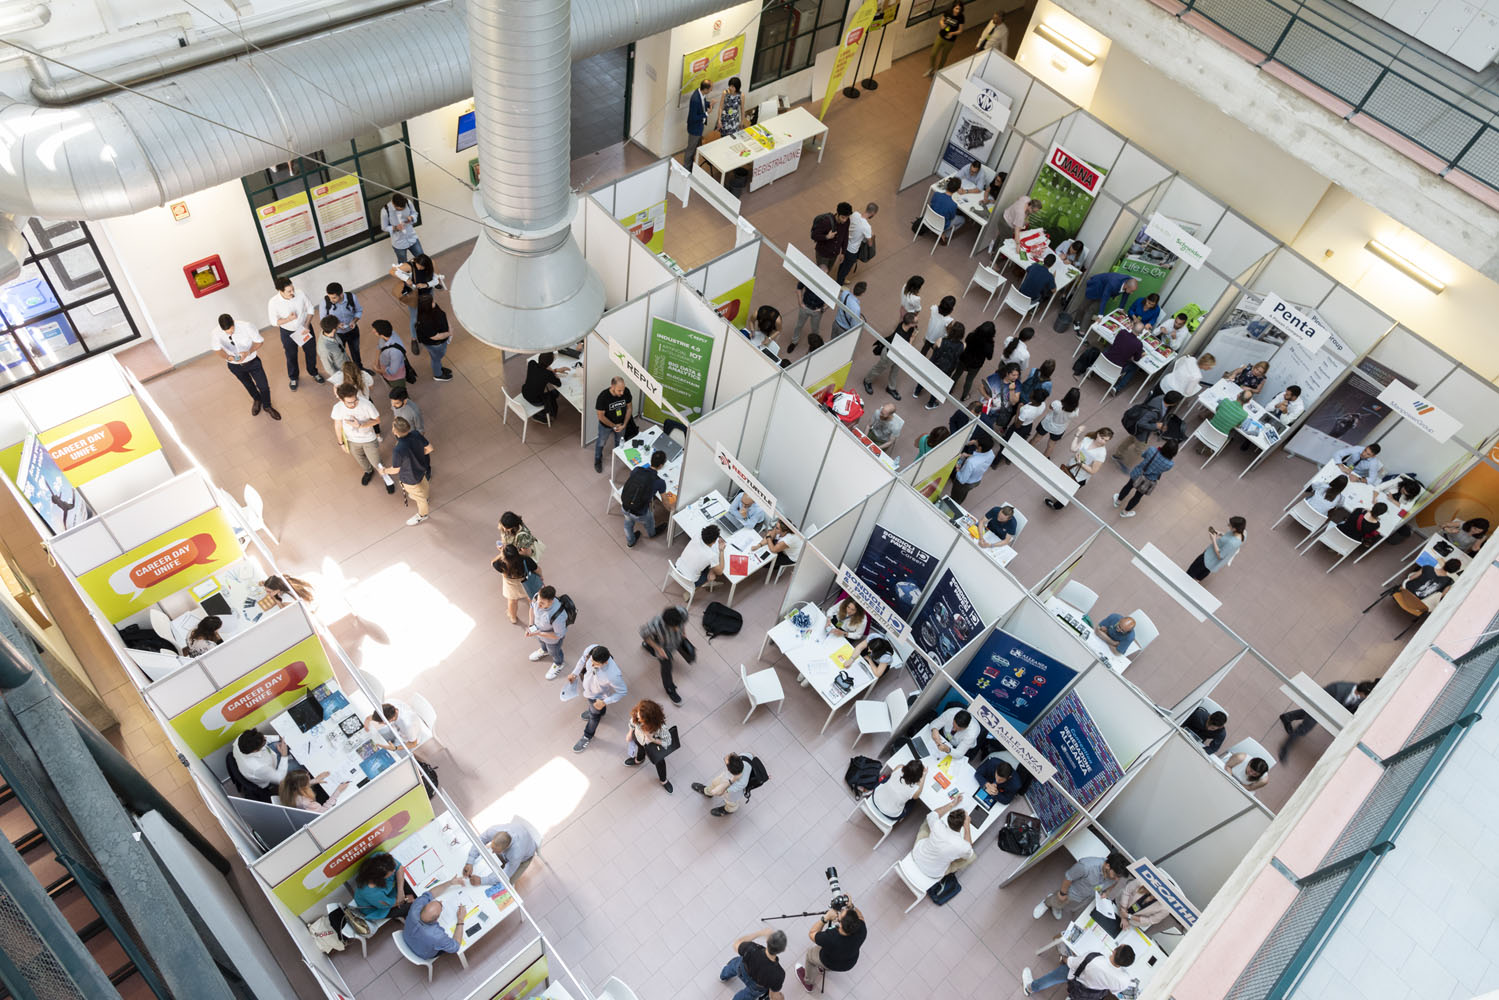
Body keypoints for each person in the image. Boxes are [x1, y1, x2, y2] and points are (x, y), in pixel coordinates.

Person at [1279, 679, 1377, 759]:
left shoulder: (1359, 696)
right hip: (1319, 707)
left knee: (1307, 714)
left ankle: (1287, 717)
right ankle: (1284, 748)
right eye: (1366, 696)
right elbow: (1319, 697)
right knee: (1304, 729)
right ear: (1362, 693)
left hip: (1330, 710)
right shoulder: (1338, 688)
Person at [212, 313, 280, 420]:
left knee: (263, 386)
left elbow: (259, 342)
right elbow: (217, 350)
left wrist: (248, 352)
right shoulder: (215, 333)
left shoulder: (246, 326)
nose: (230, 333)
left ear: (233, 322)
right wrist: (228, 357)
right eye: (227, 332)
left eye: (232, 330)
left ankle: (267, 406)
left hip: (252, 362)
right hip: (234, 366)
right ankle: (257, 400)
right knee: (248, 385)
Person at [331, 384, 395, 492]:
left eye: (355, 400)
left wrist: (360, 425)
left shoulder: (366, 404)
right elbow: (337, 425)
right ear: (341, 400)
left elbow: (377, 420)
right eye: (349, 402)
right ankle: (368, 471)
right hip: (351, 440)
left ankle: (386, 478)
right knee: (360, 459)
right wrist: (341, 443)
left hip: (368, 439)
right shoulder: (337, 408)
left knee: (376, 461)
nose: (354, 404)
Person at [1033, 851, 1130, 921]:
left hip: (1086, 896)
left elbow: (1113, 884)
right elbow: (1069, 877)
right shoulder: (1086, 866)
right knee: (1059, 899)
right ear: (1108, 866)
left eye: (1119, 877)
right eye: (1116, 876)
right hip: (1072, 891)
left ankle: (1057, 907)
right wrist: (1062, 893)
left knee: (1067, 904)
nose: (1117, 879)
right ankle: (1046, 903)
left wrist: (1106, 892)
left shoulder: (1115, 875)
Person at [567, 643, 628, 753]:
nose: (592, 664)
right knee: (594, 709)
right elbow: (582, 660)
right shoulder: (592, 650)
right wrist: (574, 673)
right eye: (591, 661)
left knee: (594, 717)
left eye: (595, 664)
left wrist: (605, 702)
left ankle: (587, 735)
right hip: (589, 690)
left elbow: (622, 691)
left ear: (605, 662)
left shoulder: (613, 675)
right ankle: (598, 711)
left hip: (597, 696)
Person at [795, 899, 866, 990]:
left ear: (840, 924)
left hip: (829, 961)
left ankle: (808, 982)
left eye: (842, 912)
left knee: (810, 954)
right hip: (848, 963)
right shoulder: (862, 929)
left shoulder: (830, 937)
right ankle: (823, 968)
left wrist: (825, 918)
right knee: (830, 956)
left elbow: (812, 934)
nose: (842, 909)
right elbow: (860, 916)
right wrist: (851, 906)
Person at [267, 276, 320, 392]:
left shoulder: (300, 293)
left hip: (304, 328)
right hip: (287, 333)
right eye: (289, 291)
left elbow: (310, 309)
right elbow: (274, 322)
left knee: (311, 351)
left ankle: (313, 371)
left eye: (293, 289)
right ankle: (293, 377)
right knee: (291, 356)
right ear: (280, 291)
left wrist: (306, 324)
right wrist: (288, 319)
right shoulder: (273, 302)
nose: (292, 293)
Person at [1022, 945, 1136, 997]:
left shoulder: (1095, 958)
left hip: (1076, 977)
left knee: (1054, 976)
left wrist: (1063, 958)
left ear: (1114, 951)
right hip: (1090, 994)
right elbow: (1113, 991)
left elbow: (1072, 963)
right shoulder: (1124, 981)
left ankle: (1029, 988)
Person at [379, 417, 432, 526]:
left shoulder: (398, 449)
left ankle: (422, 515)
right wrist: (418, 456)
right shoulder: (416, 434)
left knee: (419, 498)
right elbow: (430, 449)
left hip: (409, 478)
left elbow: (395, 469)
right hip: (421, 470)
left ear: (394, 431)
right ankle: (425, 497)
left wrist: (384, 471)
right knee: (424, 485)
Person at [1046, 426, 1113, 509]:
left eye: (1106, 440)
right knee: (1062, 483)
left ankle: (1056, 506)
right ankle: (1057, 494)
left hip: (1080, 477)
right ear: (1098, 434)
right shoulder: (1088, 439)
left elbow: (1093, 471)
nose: (1103, 442)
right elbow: (1073, 449)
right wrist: (1077, 434)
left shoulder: (1102, 453)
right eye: (1102, 438)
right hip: (1070, 467)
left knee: (1067, 493)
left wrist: (1080, 463)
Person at [1113, 391, 1181, 470]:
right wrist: (1156, 426)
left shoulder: (1161, 397)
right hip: (1142, 432)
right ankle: (1126, 465)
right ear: (1173, 403)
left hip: (1138, 428)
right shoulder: (1155, 411)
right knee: (1139, 450)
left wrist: (1161, 424)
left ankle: (1118, 454)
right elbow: (1141, 423)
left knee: (1131, 439)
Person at [909, 800, 974, 879]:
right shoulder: (962, 846)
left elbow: (932, 814)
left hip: (917, 855)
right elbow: (969, 849)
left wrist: (952, 804)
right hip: (933, 873)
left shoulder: (937, 825)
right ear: (962, 824)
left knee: (929, 821)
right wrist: (967, 826)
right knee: (971, 856)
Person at [640, 604, 690, 706]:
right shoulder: (655, 625)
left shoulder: (682, 612)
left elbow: (683, 623)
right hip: (662, 647)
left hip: (675, 641)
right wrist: (658, 649)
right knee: (667, 667)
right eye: (674, 627)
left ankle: (648, 647)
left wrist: (683, 632)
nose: (677, 629)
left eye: (678, 625)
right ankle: (670, 689)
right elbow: (644, 634)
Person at [620, 449, 670, 548]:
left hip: (625, 505)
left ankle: (630, 542)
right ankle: (652, 534)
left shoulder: (637, 469)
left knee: (628, 523)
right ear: (661, 466)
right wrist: (671, 509)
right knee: (649, 520)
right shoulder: (660, 482)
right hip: (640, 512)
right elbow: (665, 501)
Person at [1114, 440, 1178, 517]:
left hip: (1138, 473)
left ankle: (1118, 501)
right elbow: (1163, 470)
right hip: (1149, 481)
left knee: (1128, 486)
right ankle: (1124, 512)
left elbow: (1144, 455)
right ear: (1174, 453)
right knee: (1137, 496)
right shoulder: (1170, 464)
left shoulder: (1152, 450)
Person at [720, 927, 787, 1000]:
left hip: (741, 969)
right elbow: (773, 995)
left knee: (733, 965)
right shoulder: (779, 975)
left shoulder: (752, 948)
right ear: (782, 950)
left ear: (767, 941)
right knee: (746, 996)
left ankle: (723, 976)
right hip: (756, 986)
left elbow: (736, 944)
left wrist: (760, 933)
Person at [463, 821, 538, 884]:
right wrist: (470, 861)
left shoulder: (516, 854)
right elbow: (480, 840)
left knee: (506, 884)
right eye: (492, 847)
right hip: (520, 833)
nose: (492, 852)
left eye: (496, 851)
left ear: (505, 849)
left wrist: (482, 881)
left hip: (525, 857)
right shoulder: (493, 830)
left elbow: (506, 874)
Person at [625, 698, 675, 793]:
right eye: (638, 714)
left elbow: (668, 742)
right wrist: (630, 733)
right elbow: (632, 723)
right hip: (639, 739)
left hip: (653, 746)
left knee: (659, 762)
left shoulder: (661, 728)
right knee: (640, 749)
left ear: (649, 720)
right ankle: (639, 760)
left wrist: (653, 740)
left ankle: (663, 780)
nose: (637, 718)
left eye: (641, 718)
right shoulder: (637, 714)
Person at [403, 888, 466, 961]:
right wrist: (460, 919)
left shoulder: (416, 906)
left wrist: (450, 883)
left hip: (406, 936)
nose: (441, 901)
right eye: (441, 908)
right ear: (436, 919)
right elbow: (455, 947)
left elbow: (429, 894)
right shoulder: (438, 936)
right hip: (422, 953)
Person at [351, 853, 412, 921]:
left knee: (411, 887)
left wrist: (401, 891)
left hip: (388, 893)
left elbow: (399, 868)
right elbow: (387, 904)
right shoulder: (371, 892)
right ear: (380, 877)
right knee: (411, 905)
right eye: (391, 872)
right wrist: (405, 899)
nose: (394, 871)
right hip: (378, 908)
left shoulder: (380, 859)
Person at [695, 751, 756, 817]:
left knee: (731, 803)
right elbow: (752, 755)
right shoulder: (745, 757)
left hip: (732, 795)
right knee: (714, 783)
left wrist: (733, 779)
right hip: (724, 780)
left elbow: (717, 792)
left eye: (726, 762)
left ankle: (729, 810)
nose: (728, 755)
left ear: (728, 769)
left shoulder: (741, 783)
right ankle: (707, 792)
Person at [1074, 273, 1139, 334]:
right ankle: (1076, 321)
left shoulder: (1129, 281)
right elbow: (1104, 299)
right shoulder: (1113, 283)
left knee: (1092, 309)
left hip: (1105, 288)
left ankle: (1082, 331)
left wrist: (1121, 308)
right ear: (1126, 286)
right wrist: (1100, 315)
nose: (1131, 293)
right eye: (1132, 291)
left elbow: (1126, 294)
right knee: (1084, 305)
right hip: (1096, 286)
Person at [526, 586, 569, 679]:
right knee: (542, 643)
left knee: (554, 652)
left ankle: (559, 663)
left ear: (551, 602)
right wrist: (531, 626)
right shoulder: (537, 596)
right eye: (538, 600)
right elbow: (532, 608)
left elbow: (558, 635)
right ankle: (544, 651)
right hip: (540, 632)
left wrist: (538, 633)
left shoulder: (558, 615)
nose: (538, 604)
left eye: (542, 603)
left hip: (552, 640)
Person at [320, 282, 364, 370]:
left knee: (355, 351)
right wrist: (336, 325)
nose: (331, 300)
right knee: (340, 355)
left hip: (352, 330)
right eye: (329, 297)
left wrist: (354, 321)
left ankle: (360, 369)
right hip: (337, 334)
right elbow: (323, 321)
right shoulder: (325, 302)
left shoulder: (352, 297)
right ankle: (346, 373)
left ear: (341, 294)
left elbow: (359, 311)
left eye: (334, 297)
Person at [593, 377, 633, 473]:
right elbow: (601, 416)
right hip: (606, 426)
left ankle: (617, 454)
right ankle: (597, 459)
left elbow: (629, 408)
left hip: (621, 424)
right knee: (601, 442)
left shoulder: (626, 392)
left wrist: (624, 424)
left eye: (623, 390)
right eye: (619, 390)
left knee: (619, 441)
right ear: (612, 386)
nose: (622, 393)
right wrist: (614, 426)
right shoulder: (603, 397)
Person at [1187, 516, 1246, 581]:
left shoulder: (1232, 543)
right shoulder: (1243, 533)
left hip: (1208, 559)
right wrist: (1221, 534)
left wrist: (1213, 539)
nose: (1228, 525)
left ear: (1234, 529)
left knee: (1190, 573)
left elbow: (1220, 555)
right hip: (1211, 563)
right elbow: (1230, 538)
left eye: (1230, 525)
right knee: (1199, 576)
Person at [493, 544, 538, 625]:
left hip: (510, 586)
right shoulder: (525, 559)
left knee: (512, 601)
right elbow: (537, 569)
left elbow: (492, 562)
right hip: (526, 583)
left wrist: (501, 553)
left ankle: (513, 618)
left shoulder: (499, 563)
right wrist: (540, 576)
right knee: (530, 597)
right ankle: (536, 612)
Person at [414, 297, 454, 381]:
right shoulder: (425, 321)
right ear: (427, 306)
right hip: (435, 344)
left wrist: (449, 327)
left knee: (436, 357)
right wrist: (449, 333)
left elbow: (443, 314)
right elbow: (435, 337)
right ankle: (438, 375)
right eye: (432, 301)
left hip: (438, 341)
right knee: (436, 358)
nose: (434, 302)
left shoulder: (432, 307)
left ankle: (439, 367)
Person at [365, 699, 430, 750]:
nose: (379, 723)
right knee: (373, 737)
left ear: (391, 719)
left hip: (407, 740)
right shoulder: (389, 704)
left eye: (381, 722)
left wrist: (395, 748)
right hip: (395, 730)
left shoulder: (408, 725)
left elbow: (413, 743)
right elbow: (377, 715)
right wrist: (367, 720)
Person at [837, 203, 877, 285]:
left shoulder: (855, 214)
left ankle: (840, 277)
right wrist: (872, 236)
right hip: (852, 250)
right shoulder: (867, 227)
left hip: (845, 244)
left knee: (843, 264)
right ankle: (839, 284)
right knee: (846, 269)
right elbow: (870, 244)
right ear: (873, 213)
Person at [956, 320, 996, 401]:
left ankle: (948, 389)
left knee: (956, 374)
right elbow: (989, 357)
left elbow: (966, 342)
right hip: (975, 364)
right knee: (969, 380)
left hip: (964, 358)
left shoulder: (971, 335)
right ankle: (964, 396)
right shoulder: (989, 345)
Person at [948, 435, 995, 504]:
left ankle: (953, 504)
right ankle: (959, 500)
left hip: (964, 484)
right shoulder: (991, 453)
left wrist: (957, 467)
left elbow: (962, 479)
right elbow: (981, 458)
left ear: (980, 447)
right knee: (963, 494)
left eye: (977, 442)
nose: (975, 442)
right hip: (976, 480)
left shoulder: (971, 462)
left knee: (955, 497)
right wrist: (968, 455)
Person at [279, 768, 348, 812]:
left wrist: (315, 780)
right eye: (308, 777)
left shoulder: (286, 787)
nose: (309, 776)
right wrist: (338, 791)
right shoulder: (307, 803)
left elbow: (297, 786)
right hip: (319, 811)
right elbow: (323, 811)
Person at [1038, 387, 1081, 458]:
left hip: (1047, 423)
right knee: (1051, 445)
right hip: (1059, 430)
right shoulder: (1076, 411)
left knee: (1036, 438)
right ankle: (1044, 458)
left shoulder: (1057, 404)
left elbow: (1050, 407)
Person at [926, 1, 966, 76]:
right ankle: (932, 68)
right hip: (941, 36)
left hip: (950, 41)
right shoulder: (948, 12)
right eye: (956, 8)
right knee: (933, 54)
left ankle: (938, 71)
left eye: (959, 9)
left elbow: (960, 30)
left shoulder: (961, 17)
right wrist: (942, 24)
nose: (957, 11)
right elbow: (941, 20)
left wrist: (952, 33)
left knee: (944, 56)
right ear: (953, 7)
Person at [812, 203, 853, 274]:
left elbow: (845, 236)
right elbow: (814, 235)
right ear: (837, 214)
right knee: (821, 274)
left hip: (834, 254)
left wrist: (843, 252)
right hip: (823, 254)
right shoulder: (826, 222)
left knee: (827, 272)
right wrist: (827, 237)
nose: (845, 220)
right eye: (843, 217)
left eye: (847, 217)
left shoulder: (847, 222)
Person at [380, 192, 422, 262]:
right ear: (394, 204)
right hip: (399, 243)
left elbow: (415, 213)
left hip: (412, 237)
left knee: (422, 259)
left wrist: (411, 217)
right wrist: (395, 228)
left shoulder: (408, 202)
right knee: (403, 265)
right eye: (400, 209)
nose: (402, 210)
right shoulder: (385, 211)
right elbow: (384, 227)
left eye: (403, 208)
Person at [791, 279, 827, 352]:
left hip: (817, 310)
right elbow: (799, 288)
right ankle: (794, 342)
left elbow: (832, 299)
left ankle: (815, 346)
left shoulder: (827, 283)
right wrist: (800, 303)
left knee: (815, 329)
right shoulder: (808, 277)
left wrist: (822, 309)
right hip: (805, 307)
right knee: (799, 325)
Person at [685, 79, 713, 170]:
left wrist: (709, 104)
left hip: (699, 127)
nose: (711, 90)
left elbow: (703, 104)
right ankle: (686, 169)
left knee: (694, 149)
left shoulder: (701, 94)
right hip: (694, 128)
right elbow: (693, 117)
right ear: (705, 89)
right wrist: (706, 114)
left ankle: (691, 167)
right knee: (690, 150)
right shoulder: (695, 99)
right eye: (710, 89)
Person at [927, 176, 963, 242]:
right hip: (941, 225)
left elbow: (932, 203)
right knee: (962, 220)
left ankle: (940, 233)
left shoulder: (936, 194)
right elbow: (952, 217)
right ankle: (944, 235)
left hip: (929, 219)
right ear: (957, 190)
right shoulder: (953, 205)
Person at [316, 315, 350, 383]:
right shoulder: (324, 349)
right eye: (338, 325)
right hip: (341, 371)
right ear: (334, 329)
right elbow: (328, 368)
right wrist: (340, 379)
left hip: (346, 361)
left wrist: (337, 325)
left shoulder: (328, 331)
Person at [920, 294, 956, 359]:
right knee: (936, 353)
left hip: (929, 335)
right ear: (951, 309)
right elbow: (949, 332)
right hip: (937, 340)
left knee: (925, 348)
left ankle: (920, 358)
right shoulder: (948, 320)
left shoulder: (934, 308)